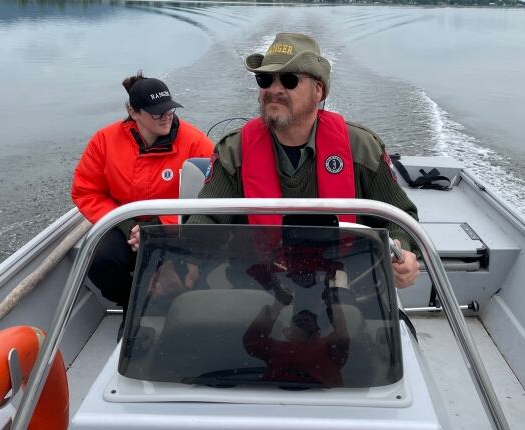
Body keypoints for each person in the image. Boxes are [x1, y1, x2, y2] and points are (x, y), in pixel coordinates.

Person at [180, 32, 420, 289]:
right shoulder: (234, 151)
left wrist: (402, 252)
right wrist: (185, 258)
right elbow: (206, 220)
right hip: (258, 287)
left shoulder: (361, 148)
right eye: (265, 79)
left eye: (289, 80)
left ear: (318, 90)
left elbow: (400, 217)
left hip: (345, 286)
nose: (274, 89)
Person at [71, 72, 214, 313]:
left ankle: (185, 305)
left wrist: (162, 226)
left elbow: (212, 196)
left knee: (195, 267)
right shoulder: (104, 141)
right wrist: (127, 224)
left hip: (178, 227)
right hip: (125, 226)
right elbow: (86, 191)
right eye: (157, 112)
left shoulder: (195, 144)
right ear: (134, 112)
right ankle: (134, 304)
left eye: (170, 110)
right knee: (100, 260)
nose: (166, 117)